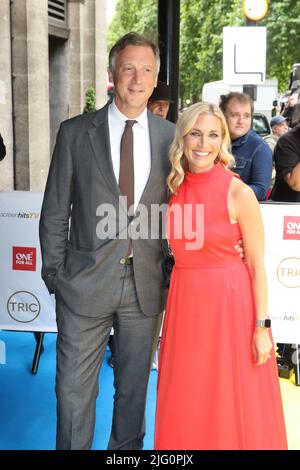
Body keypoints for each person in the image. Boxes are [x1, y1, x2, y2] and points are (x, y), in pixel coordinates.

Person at [39, 32, 175, 450]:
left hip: (145, 288)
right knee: (73, 395)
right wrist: (57, 276)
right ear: (113, 74)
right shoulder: (76, 133)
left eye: (147, 70)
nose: (138, 78)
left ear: (155, 79)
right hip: (82, 287)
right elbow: (54, 211)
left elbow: (189, 207)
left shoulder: (171, 137)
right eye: (129, 68)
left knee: (133, 396)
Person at [154, 102, 288, 450]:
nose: (203, 143)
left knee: (231, 398)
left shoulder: (238, 192)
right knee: (189, 394)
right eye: (195, 133)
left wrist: (263, 328)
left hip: (229, 306)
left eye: (213, 135)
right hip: (185, 306)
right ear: (182, 138)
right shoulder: (172, 188)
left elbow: (257, 266)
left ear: (223, 141)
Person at [219, 92, 273, 201]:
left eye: (246, 116)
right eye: (235, 115)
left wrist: (220, 191)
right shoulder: (212, 141)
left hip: (239, 213)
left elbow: (260, 191)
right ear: (222, 115)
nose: (241, 121)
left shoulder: (259, 148)